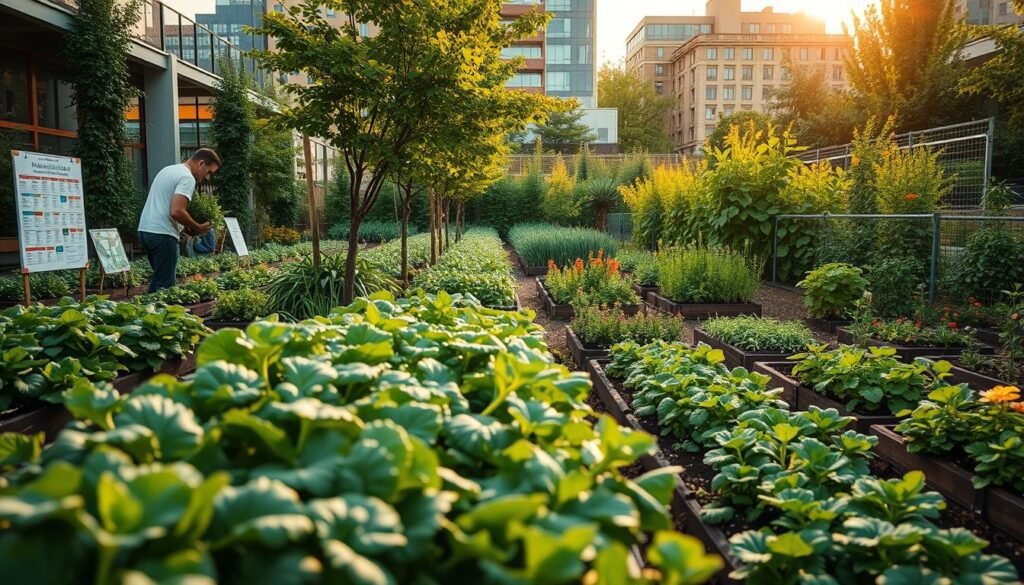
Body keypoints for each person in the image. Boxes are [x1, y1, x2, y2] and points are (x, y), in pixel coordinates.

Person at [138, 148, 220, 292]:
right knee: (166, 286)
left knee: (160, 280)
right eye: (209, 172)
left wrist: (185, 227)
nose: (207, 178)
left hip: (146, 231)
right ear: (201, 163)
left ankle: (143, 312)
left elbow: (166, 205)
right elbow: (176, 211)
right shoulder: (187, 177)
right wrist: (198, 227)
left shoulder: (169, 170)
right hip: (163, 234)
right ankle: (153, 313)